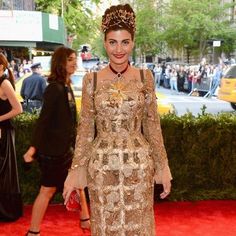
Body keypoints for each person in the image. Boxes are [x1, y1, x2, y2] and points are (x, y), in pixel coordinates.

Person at [63, 4, 172, 236]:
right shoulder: (91, 80)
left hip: (139, 167)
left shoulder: (145, 77)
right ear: (104, 43)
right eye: (113, 42)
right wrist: (76, 171)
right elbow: (85, 130)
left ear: (132, 42)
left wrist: (163, 166)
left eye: (125, 42)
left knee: (138, 226)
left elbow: (152, 125)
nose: (119, 49)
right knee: (105, 226)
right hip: (102, 169)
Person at [23, 46, 90, 236]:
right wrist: (32, 149)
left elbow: (69, 120)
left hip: (65, 149)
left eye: (75, 59)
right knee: (47, 190)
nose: (74, 63)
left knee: (77, 184)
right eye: (70, 59)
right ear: (60, 63)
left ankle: (85, 221)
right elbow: (43, 121)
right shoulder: (54, 88)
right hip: (53, 152)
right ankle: (33, 231)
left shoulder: (66, 86)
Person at [0, 53, 23, 221]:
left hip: (4, 133)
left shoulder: (5, 83)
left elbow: (18, 109)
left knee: (4, 173)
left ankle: (6, 212)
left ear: (2, 67)